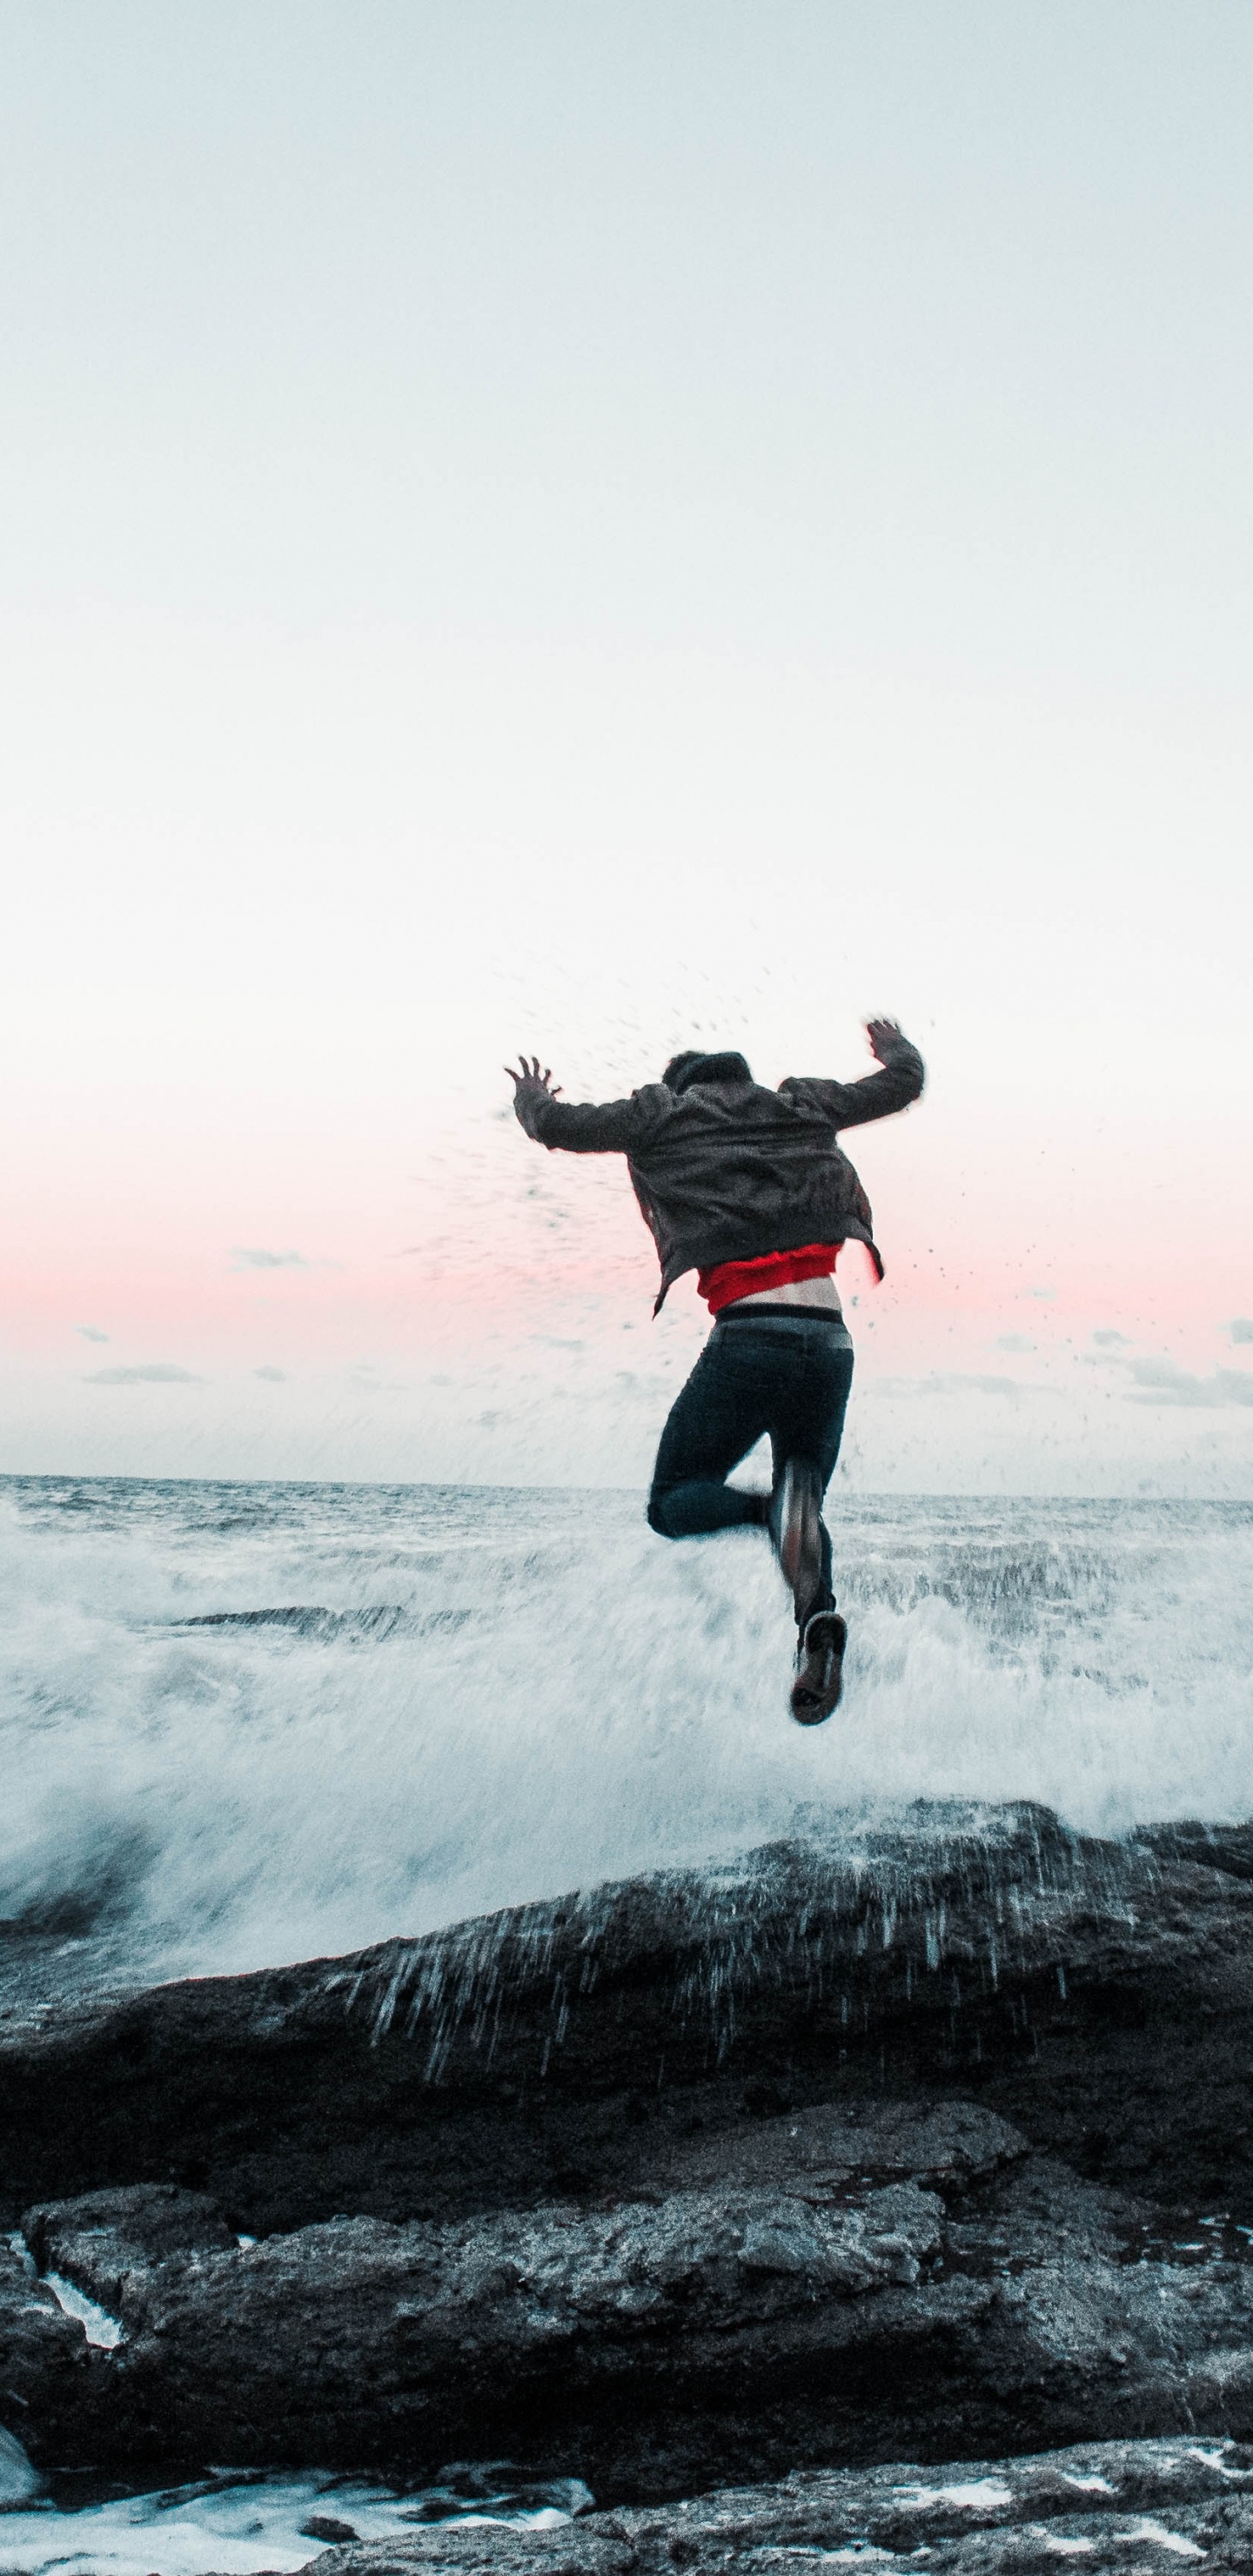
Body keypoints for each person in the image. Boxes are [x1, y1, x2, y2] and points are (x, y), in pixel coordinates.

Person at [507, 1019, 925, 1724]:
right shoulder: (799, 1105)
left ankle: (767, 1514)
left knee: (673, 1501)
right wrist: (894, 1048)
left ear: (681, 1088)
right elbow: (902, 1083)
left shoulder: (662, 1115)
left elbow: (558, 1127)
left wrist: (531, 1096)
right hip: (830, 1344)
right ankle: (817, 1622)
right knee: (805, 1500)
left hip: (753, 1336)